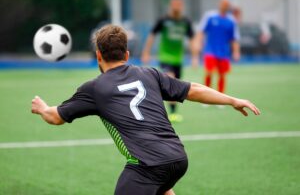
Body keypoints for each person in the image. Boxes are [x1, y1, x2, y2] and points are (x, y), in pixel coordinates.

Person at [31, 25, 260, 195]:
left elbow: (55, 117)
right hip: (178, 158)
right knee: (162, 187)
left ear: (98, 55)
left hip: (147, 165)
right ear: (127, 55)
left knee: (153, 180)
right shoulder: (149, 73)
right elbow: (194, 89)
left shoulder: (94, 88)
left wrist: (42, 108)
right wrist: (232, 100)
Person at [141, 0, 197, 122]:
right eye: (174, 4)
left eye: (179, 4)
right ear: (171, 5)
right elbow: (152, 35)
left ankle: (173, 112)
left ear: (181, 5)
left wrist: (194, 57)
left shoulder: (185, 21)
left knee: (175, 86)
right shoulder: (163, 20)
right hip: (165, 57)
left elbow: (192, 39)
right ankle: (168, 113)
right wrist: (146, 52)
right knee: (170, 80)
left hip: (178, 59)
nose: (176, 6)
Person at [193, 0, 241, 99]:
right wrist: (198, 43)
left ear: (228, 6)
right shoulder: (210, 16)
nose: (224, 6)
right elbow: (201, 31)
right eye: (223, 3)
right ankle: (205, 96)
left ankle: (220, 97)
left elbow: (234, 38)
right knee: (209, 72)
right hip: (210, 50)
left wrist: (236, 52)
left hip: (224, 52)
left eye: (226, 4)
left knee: (222, 75)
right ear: (220, 4)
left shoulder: (231, 21)